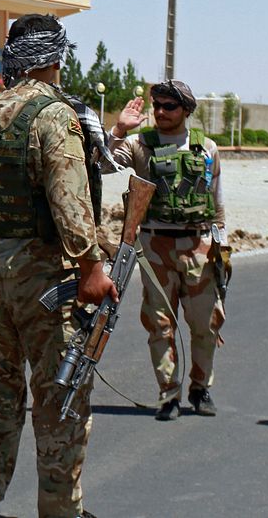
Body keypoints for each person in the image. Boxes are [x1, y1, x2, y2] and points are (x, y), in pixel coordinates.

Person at [0, 14, 114, 518]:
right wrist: (91, 267)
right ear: (56, 57)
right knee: (60, 387)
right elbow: (69, 200)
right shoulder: (56, 116)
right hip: (45, 272)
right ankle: (61, 508)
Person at [106, 80, 227, 421]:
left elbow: (217, 201)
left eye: (169, 106)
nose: (160, 112)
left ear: (186, 110)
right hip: (155, 246)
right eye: (156, 105)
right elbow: (100, 164)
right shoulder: (139, 144)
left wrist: (222, 248)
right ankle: (169, 393)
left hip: (199, 246)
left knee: (206, 325)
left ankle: (200, 389)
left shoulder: (207, 148)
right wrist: (118, 130)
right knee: (160, 325)